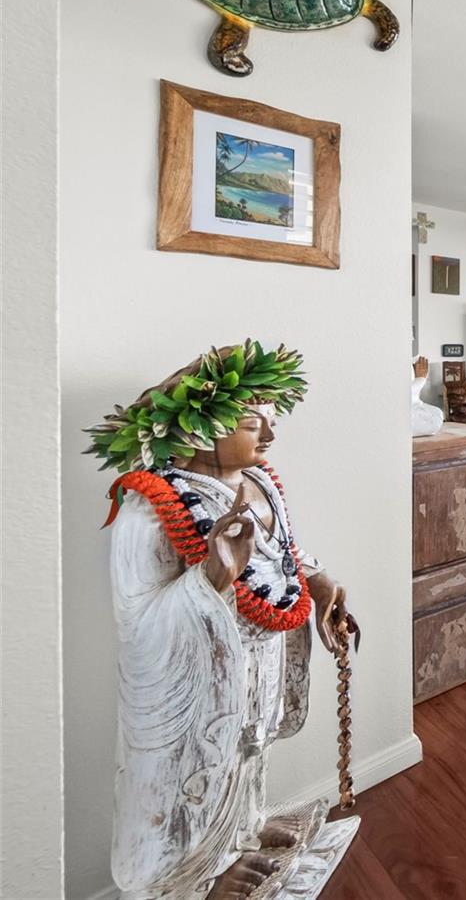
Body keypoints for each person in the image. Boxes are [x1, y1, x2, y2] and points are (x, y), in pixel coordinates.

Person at [89, 342, 359, 899]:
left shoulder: (260, 483)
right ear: (200, 428)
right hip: (197, 675)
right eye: (254, 424)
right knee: (197, 764)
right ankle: (194, 872)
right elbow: (138, 618)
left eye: (271, 421)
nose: (271, 436)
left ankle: (244, 828)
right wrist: (213, 574)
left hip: (261, 655)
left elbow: (280, 556)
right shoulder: (152, 506)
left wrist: (318, 580)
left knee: (251, 745)